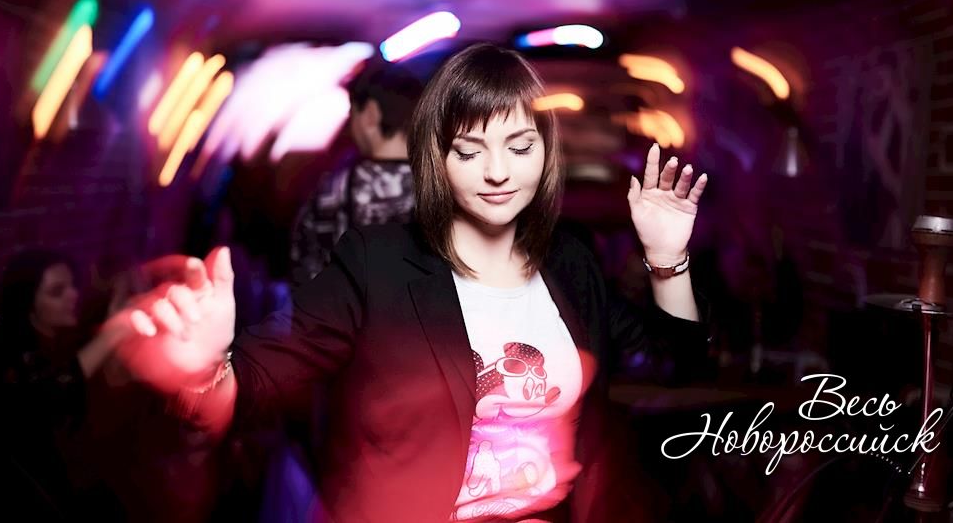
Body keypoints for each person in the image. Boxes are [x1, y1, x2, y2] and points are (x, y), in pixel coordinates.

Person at [118, 43, 713, 522]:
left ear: (544, 153)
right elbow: (259, 379)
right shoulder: (378, 262)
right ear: (436, 160)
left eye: (519, 146)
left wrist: (668, 260)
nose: (498, 172)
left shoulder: (569, 263)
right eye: (469, 150)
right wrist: (202, 372)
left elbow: (674, 361)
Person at [0, 250, 136, 518]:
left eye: (72, 285)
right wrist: (114, 333)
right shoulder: (12, 362)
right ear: (27, 303)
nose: (73, 295)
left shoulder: (65, 340)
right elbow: (51, 392)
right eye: (57, 292)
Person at [290, 62, 424, 286]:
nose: (351, 126)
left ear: (370, 115)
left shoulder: (331, 195)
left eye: (352, 113)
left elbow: (304, 280)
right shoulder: (450, 187)